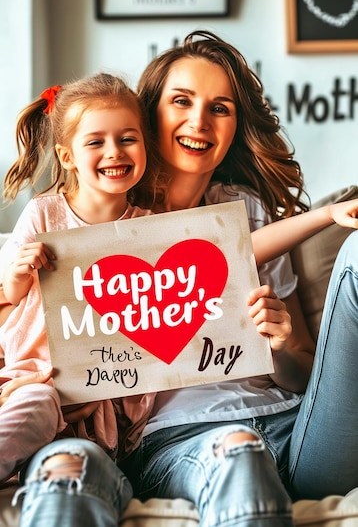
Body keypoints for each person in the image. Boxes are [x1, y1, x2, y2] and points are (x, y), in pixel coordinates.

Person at [9, 31, 358, 526]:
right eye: (181, 101)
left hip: (294, 424)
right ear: (149, 113)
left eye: (220, 108)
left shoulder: (250, 210)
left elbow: (304, 371)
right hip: (184, 437)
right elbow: (31, 329)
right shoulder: (108, 221)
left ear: (235, 127)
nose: (199, 121)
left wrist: (278, 347)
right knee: (232, 453)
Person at [0, 71, 162, 490]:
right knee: (34, 408)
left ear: (145, 145)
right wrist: (21, 270)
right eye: (96, 142)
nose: (115, 152)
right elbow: (12, 295)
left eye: (128, 138)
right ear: (67, 155)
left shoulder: (150, 227)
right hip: (43, 375)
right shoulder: (44, 213)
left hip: (110, 384)